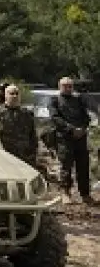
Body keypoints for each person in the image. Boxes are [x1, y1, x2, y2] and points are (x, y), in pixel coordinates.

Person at [49, 77, 95, 205]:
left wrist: (82, 128)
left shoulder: (78, 100)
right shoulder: (55, 100)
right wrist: (71, 129)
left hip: (80, 138)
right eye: (65, 86)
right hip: (64, 138)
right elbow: (55, 117)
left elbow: (86, 117)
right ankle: (65, 192)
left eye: (70, 86)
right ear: (60, 87)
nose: (68, 88)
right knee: (66, 167)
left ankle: (85, 194)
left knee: (83, 166)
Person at [0, 85, 39, 167]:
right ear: (6, 96)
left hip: (24, 156)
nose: (15, 96)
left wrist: (33, 152)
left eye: (17, 94)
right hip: (5, 154)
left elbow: (33, 135)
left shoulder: (27, 113)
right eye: (12, 93)